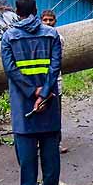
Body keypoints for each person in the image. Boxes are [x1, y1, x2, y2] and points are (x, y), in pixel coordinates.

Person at [1, 0, 62, 185]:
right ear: (36, 10)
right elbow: (55, 67)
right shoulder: (52, 34)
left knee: (26, 146)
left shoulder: (9, 37)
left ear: (17, 13)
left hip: (22, 100)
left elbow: (10, 69)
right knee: (50, 145)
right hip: (49, 99)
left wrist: (31, 92)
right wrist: (44, 92)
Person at [39, 9, 68, 154]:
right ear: (40, 21)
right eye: (45, 20)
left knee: (55, 113)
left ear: (55, 21)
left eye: (51, 20)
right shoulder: (36, 38)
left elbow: (57, 62)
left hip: (56, 82)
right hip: (38, 84)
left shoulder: (59, 38)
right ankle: (39, 144)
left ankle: (57, 143)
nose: (48, 23)